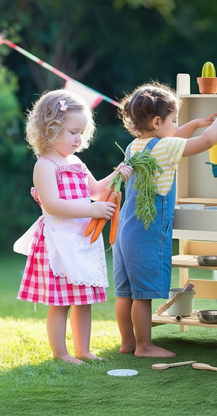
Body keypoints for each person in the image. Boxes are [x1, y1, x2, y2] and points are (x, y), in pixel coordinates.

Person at [113, 81, 217, 357]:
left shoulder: (136, 146)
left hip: (125, 230)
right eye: (174, 120)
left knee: (125, 293)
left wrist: (194, 122)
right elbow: (206, 142)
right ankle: (145, 347)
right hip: (146, 232)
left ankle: (128, 343)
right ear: (158, 121)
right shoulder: (165, 147)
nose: (176, 124)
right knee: (142, 296)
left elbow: (171, 140)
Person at [14, 90, 132, 365]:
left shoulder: (76, 162)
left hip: (80, 238)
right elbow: (53, 205)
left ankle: (83, 349)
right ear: (50, 129)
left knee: (83, 299)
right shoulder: (45, 165)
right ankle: (61, 353)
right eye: (72, 132)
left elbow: (93, 190)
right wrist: (92, 210)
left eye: (81, 132)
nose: (78, 138)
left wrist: (118, 173)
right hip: (58, 240)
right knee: (61, 301)